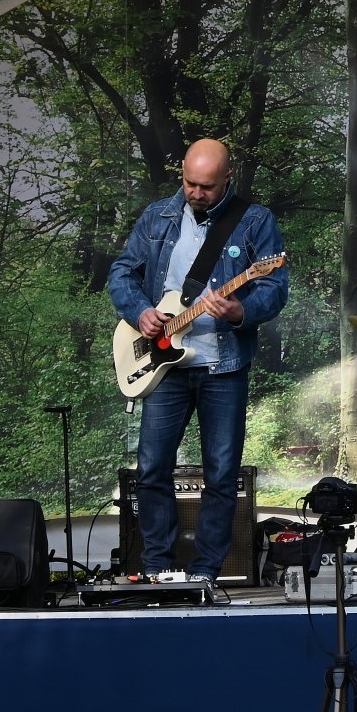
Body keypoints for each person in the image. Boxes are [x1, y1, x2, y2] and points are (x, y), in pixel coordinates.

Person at [109, 138, 288, 582]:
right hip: (162, 365)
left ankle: (206, 571)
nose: (195, 193)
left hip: (222, 366)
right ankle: (156, 568)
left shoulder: (255, 220)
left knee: (222, 475)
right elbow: (122, 272)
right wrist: (141, 311)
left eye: (206, 186)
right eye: (189, 183)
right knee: (151, 469)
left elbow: (274, 287)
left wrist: (240, 311)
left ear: (228, 178)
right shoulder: (157, 216)